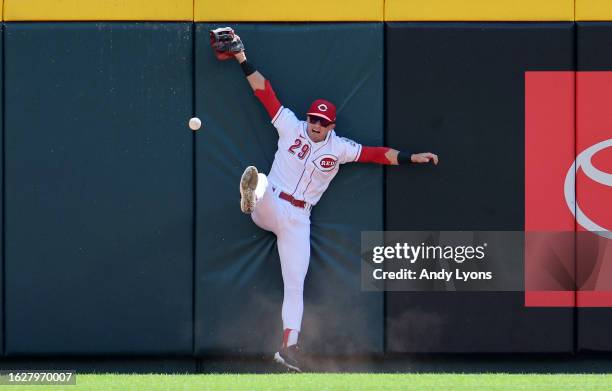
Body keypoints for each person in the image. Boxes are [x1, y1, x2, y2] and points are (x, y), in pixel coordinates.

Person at [231, 41, 438, 372]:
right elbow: (264, 92)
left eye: (321, 122)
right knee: (264, 184)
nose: (314, 125)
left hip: (299, 218)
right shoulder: (291, 127)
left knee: (295, 285)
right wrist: (241, 57)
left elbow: (375, 154)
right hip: (273, 202)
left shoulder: (339, 148)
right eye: (313, 118)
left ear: (331, 126)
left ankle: (288, 347)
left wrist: (410, 157)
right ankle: (253, 192)